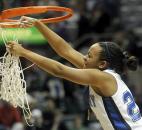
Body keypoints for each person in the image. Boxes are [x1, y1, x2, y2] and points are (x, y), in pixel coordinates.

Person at [7, 16, 142, 130]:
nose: (83, 57)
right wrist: (38, 24)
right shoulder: (103, 74)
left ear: (102, 64)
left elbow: (59, 70)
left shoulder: (102, 77)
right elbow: (66, 50)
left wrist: (24, 52)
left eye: (89, 56)